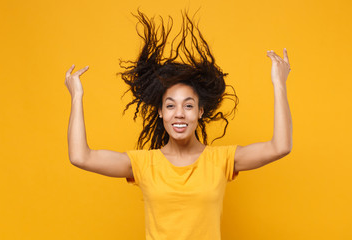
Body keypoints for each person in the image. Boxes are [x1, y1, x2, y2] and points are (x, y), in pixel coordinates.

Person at [65, 9, 292, 240]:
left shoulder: (222, 160)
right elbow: (80, 157)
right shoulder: (144, 164)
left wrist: (279, 84)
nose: (180, 114)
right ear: (161, 112)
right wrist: (76, 96)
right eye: (171, 106)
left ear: (200, 111)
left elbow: (280, 146)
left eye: (189, 106)